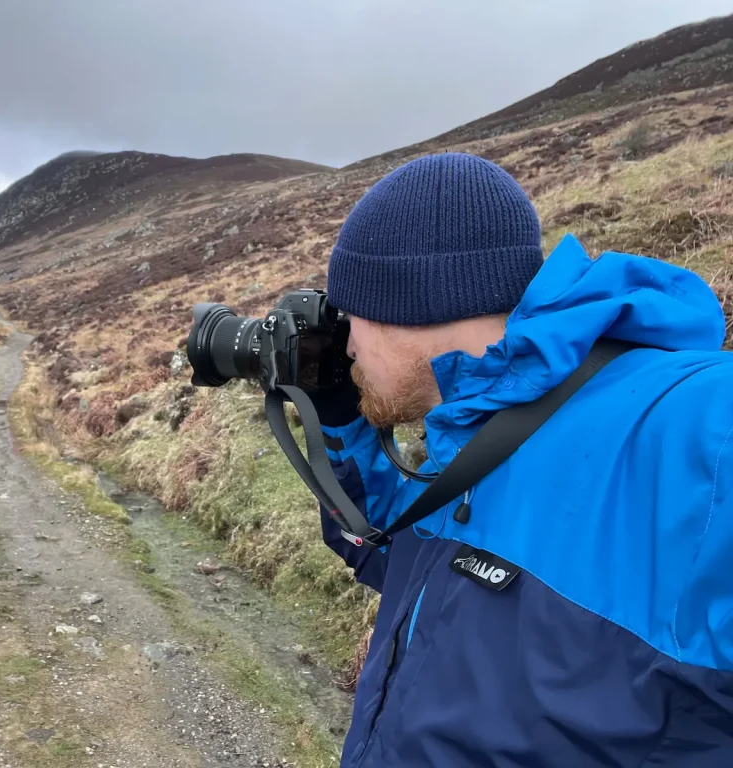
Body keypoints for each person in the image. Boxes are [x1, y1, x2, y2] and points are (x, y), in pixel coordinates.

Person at [311, 152, 733, 766]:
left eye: (354, 314)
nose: (347, 339)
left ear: (418, 301)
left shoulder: (686, 421)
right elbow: (411, 558)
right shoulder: (473, 425)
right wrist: (337, 415)